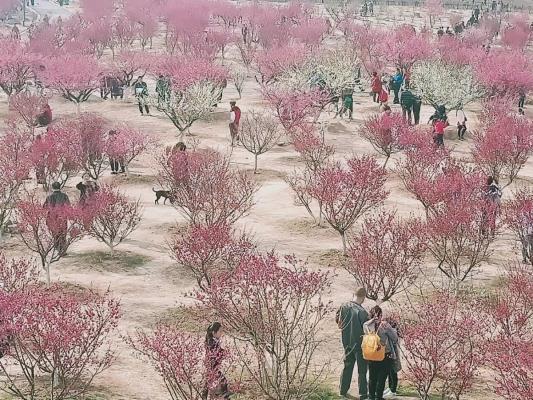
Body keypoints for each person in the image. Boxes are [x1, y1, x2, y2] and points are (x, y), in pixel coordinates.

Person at [336, 287, 369, 400]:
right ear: (364, 298)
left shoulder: (343, 307)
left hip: (347, 342)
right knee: (362, 371)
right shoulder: (363, 312)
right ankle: (363, 395)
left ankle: (342, 392)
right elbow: (367, 330)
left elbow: (338, 322)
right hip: (360, 345)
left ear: (353, 294)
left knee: (347, 367)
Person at [363, 306, 399, 400]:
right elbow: (395, 338)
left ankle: (371, 397)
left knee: (372, 378)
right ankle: (378, 397)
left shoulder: (366, 325)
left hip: (371, 354)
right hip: (384, 355)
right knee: (381, 379)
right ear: (381, 315)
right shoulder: (385, 325)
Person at [202, 322, 232, 400]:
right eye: (220, 331)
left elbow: (218, 351)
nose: (221, 333)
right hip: (212, 365)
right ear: (214, 333)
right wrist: (222, 353)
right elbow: (214, 353)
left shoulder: (213, 341)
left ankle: (204, 396)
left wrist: (223, 352)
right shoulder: (211, 342)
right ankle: (225, 396)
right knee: (222, 380)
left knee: (209, 380)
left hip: (212, 365)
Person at [44, 182, 71, 257]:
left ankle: (58, 248)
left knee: (55, 234)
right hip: (62, 217)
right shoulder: (64, 196)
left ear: (52, 188)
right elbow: (68, 206)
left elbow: (45, 207)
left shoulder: (49, 197)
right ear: (60, 187)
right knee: (63, 233)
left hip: (52, 218)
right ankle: (62, 249)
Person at [383, 316, 402, 399]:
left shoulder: (393, 332)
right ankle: (391, 388)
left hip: (393, 355)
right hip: (391, 354)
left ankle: (393, 390)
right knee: (390, 372)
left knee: (393, 372)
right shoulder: (393, 331)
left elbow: (394, 341)